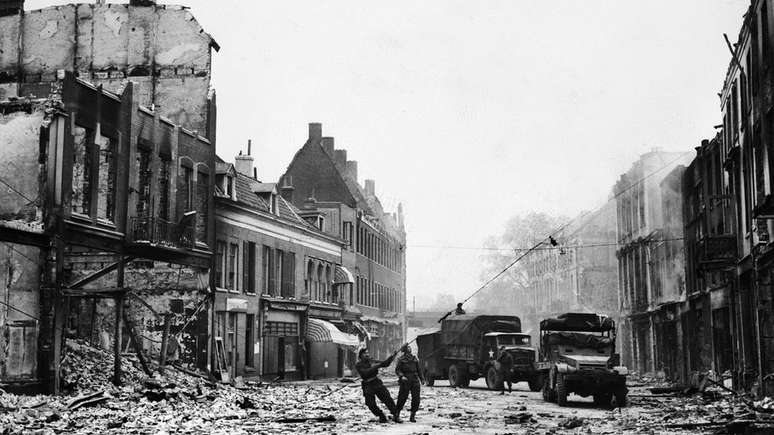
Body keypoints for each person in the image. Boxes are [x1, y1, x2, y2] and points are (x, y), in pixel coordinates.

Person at [355, 348, 401, 423]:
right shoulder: (358, 364)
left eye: (367, 353)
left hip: (376, 382)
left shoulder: (372, 361)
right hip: (367, 384)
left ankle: (396, 415)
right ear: (360, 355)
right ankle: (381, 415)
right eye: (364, 353)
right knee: (370, 404)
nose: (367, 354)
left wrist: (392, 357)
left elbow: (385, 364)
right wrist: (376, 366)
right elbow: (365, 373)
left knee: (387, 399)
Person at [395, 345, 424, 422]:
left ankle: (412, 415)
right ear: (404, 350)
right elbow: (397, 370)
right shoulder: (401, 359)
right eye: (408, 347)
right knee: (402, 397)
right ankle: (397, 414)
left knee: (416, 398)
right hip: (406, 379)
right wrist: (401, 376)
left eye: (410, 347)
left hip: (414, 379)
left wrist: (422, 379)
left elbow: (419, 370)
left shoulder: (414, 358)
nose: (409, 348)